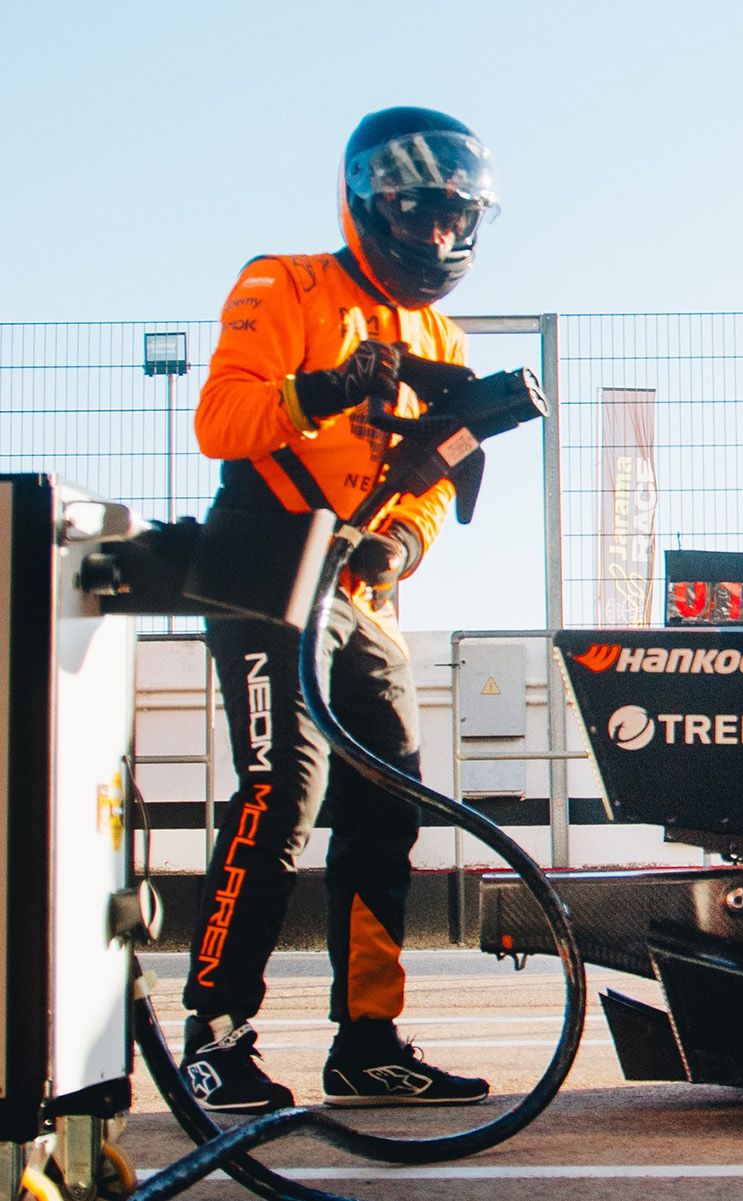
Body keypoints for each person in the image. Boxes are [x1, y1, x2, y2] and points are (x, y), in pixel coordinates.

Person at [179, 106, 499, 1113]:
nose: (439, 238)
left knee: (388, 802)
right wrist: (321, 388)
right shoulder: (285, 282)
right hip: (269, 565)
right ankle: (215, 1035)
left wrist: (403, 538)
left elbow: (444, 472)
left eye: (458, 221)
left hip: (366, 590)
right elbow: (220, 422)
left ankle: (369, 1040)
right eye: (423, 216)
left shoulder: (437, 331)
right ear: (373, 206)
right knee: (283, 790)